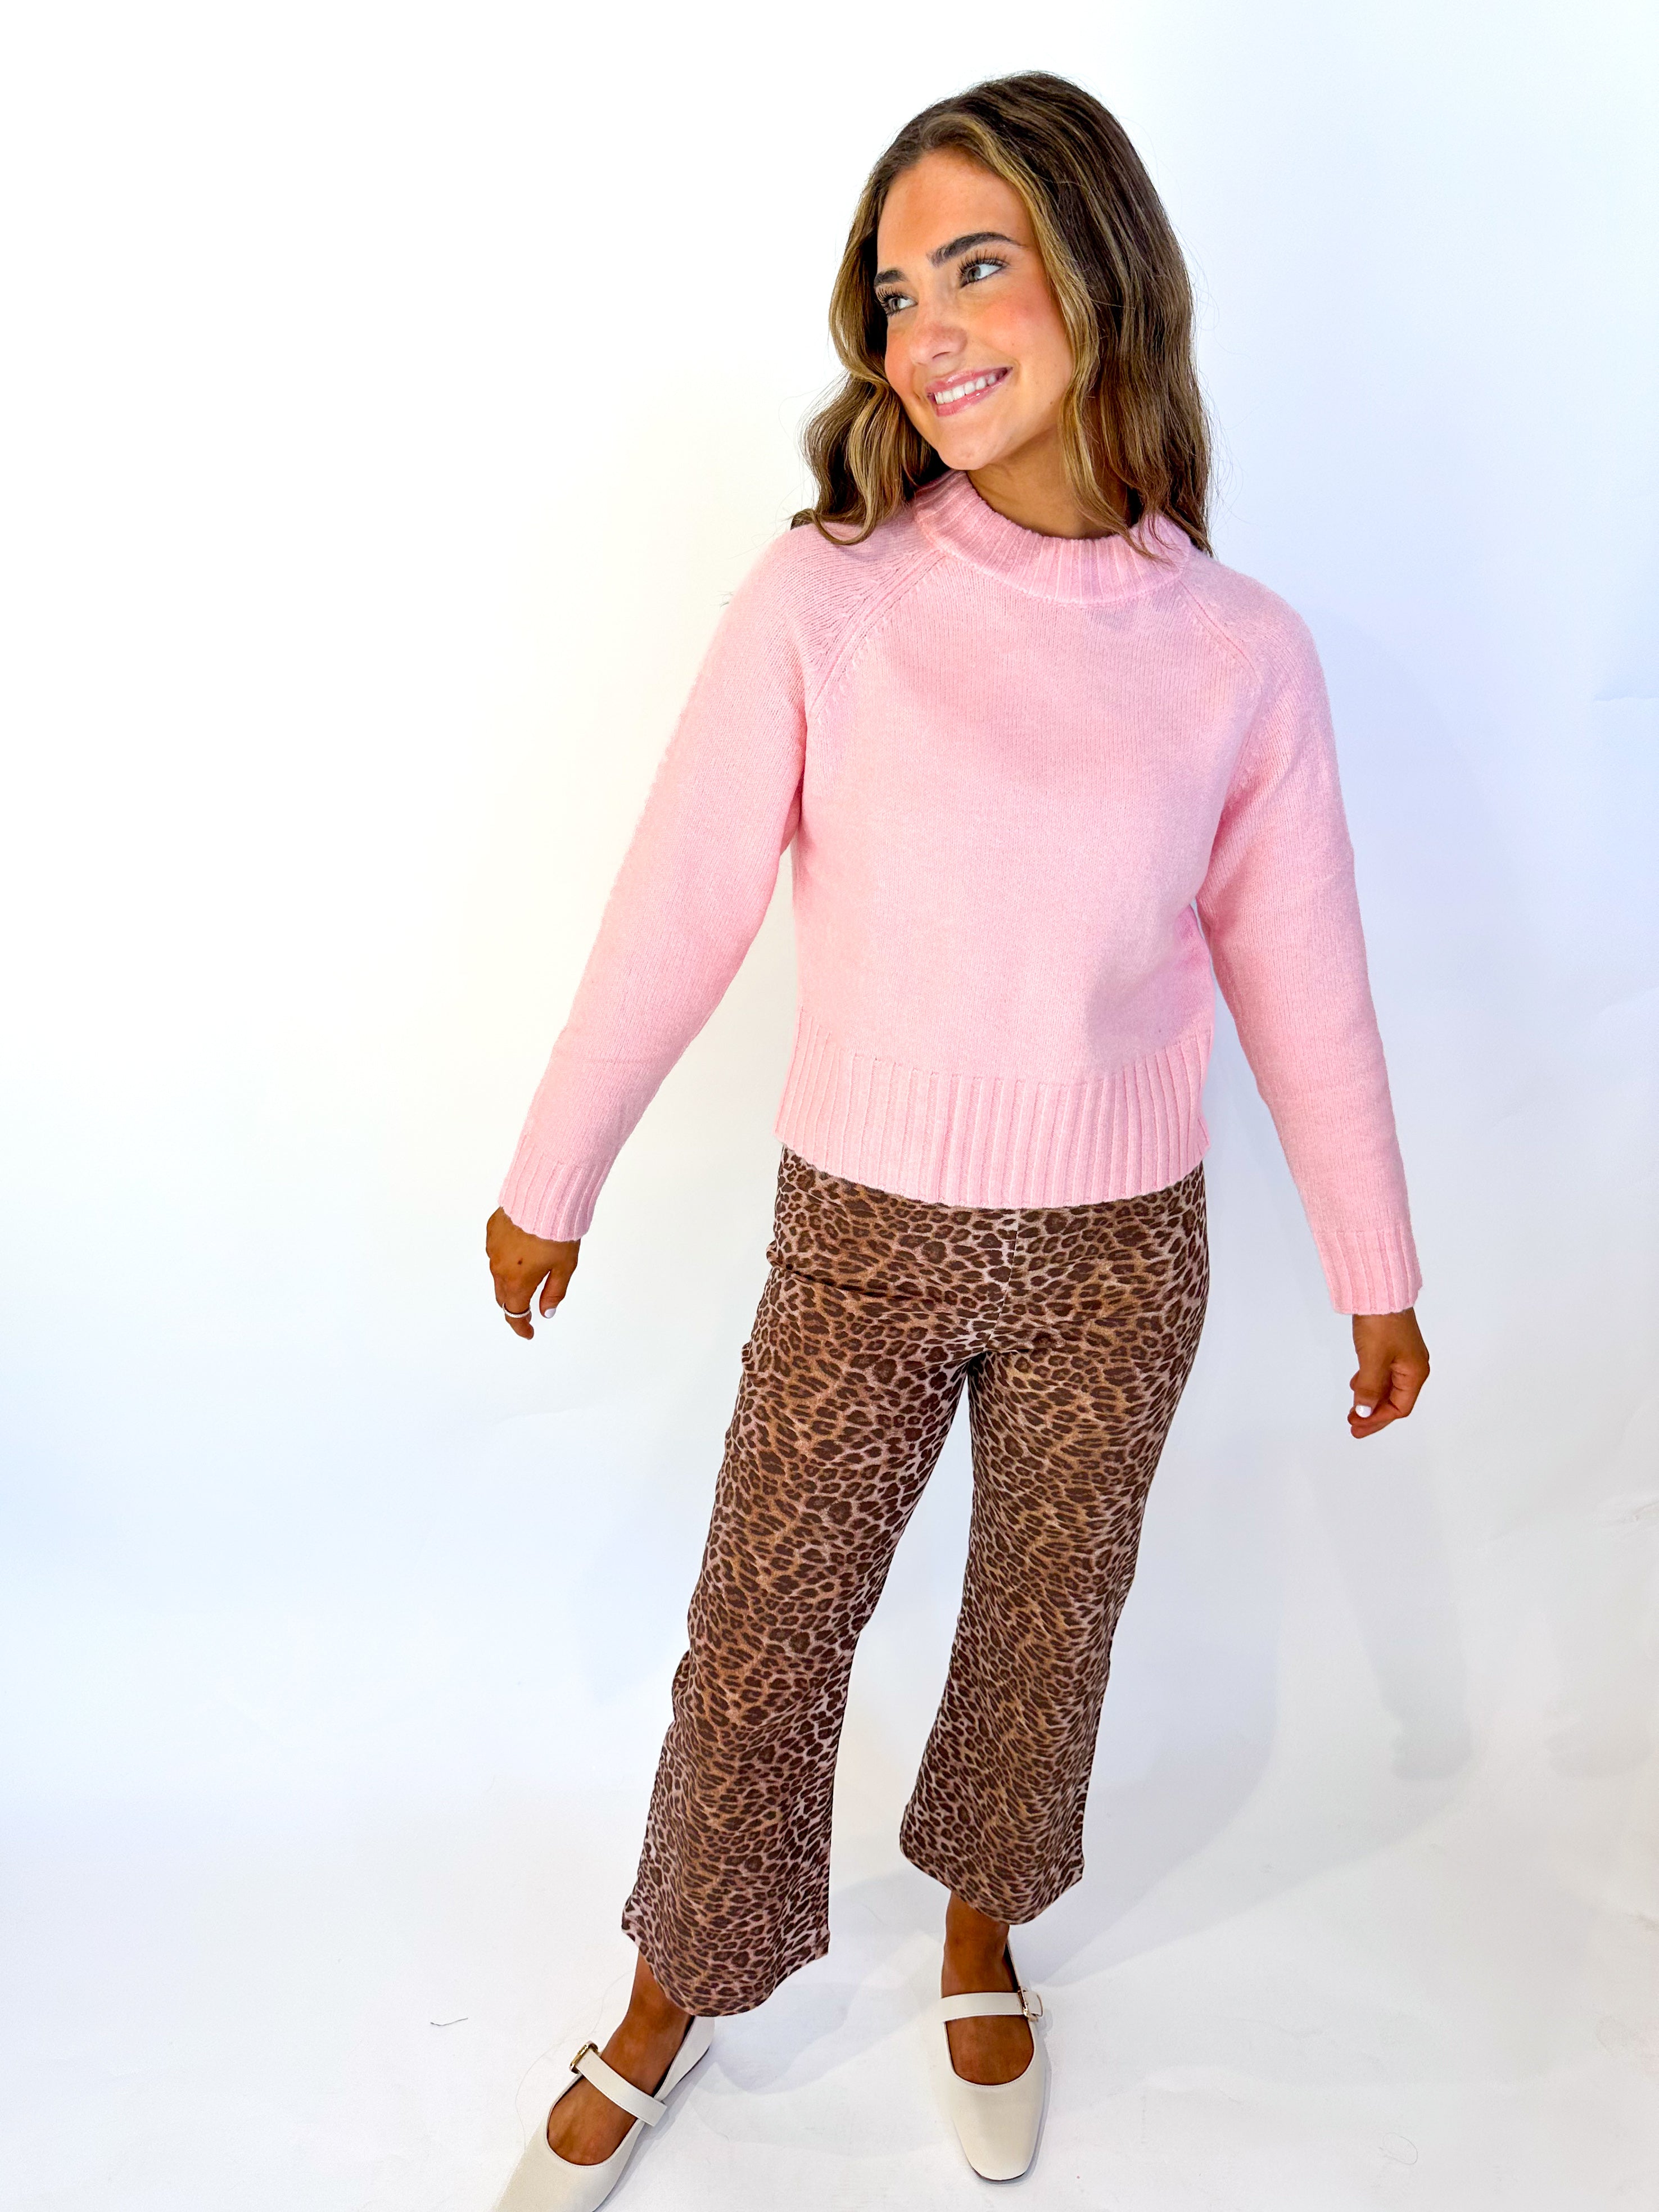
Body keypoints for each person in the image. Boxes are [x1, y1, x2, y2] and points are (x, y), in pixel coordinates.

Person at [480, 68, 1431, 2210]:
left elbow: (1308, 980)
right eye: (896, 293)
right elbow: (680, 901)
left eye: (974, 267)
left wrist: (1376, 1270)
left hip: (1121, 1252)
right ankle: (665, 1998)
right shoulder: (831, 596)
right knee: (762, 1640)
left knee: (1043, 1629)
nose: (926, 332)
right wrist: (556, 1173)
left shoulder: (1238, 655)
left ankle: (984, 1939)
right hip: (862, 1230)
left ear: (1099, 273)